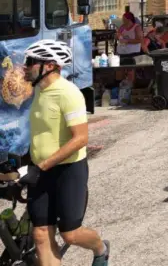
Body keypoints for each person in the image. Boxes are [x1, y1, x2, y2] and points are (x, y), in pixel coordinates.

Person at [20, 40, 111, 266]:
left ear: (49, 66)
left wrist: (40, 166)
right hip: (40, 170)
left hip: (68, 171)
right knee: (40, 233)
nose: (25, 66)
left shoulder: (68, 93)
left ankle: (100, 248)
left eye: (30, 62)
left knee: (70, 234)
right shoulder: (38, 91)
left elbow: (80, 138)